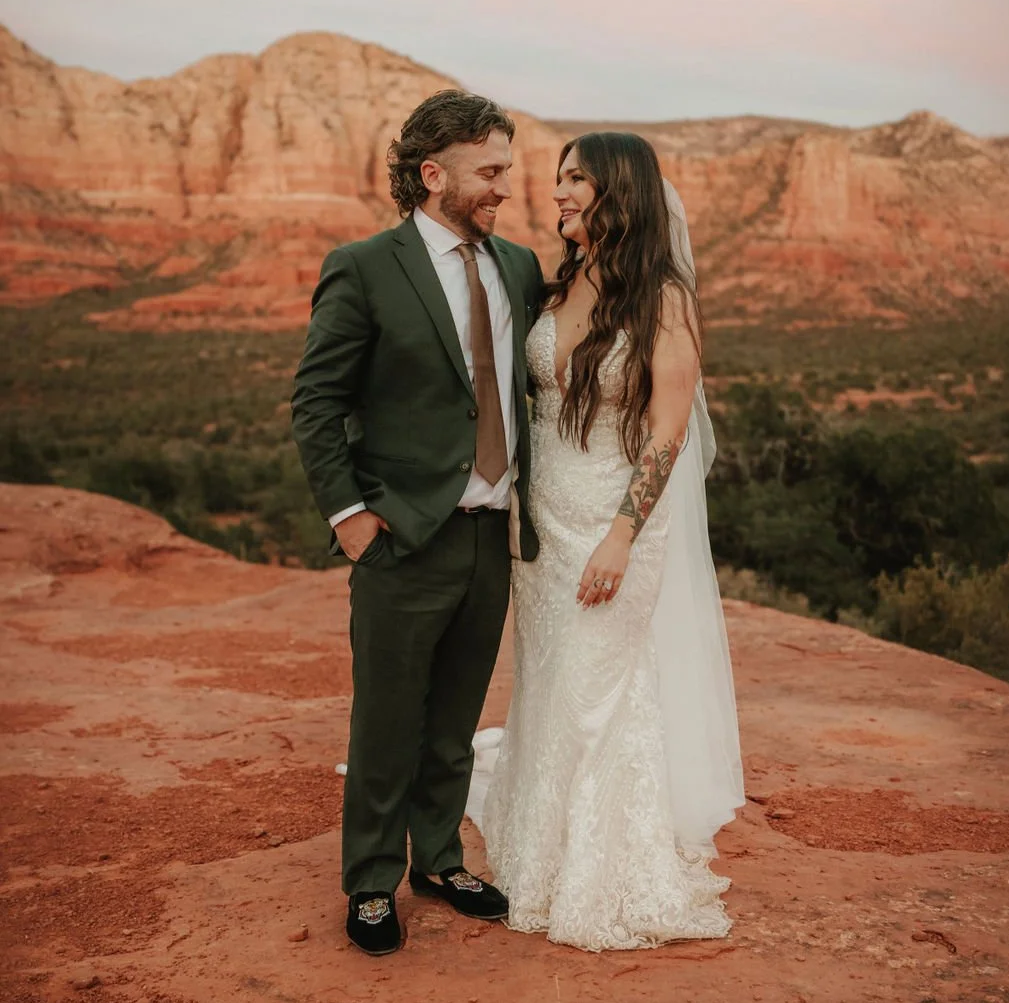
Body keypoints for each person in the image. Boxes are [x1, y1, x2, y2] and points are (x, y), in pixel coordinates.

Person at [292, 90, 546, 956]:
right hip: (402, 536)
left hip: (491, 536)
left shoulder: (517, 268)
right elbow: (316, 401)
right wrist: (351, 517)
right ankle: (370, 879)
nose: (504, 187)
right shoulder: (365, 266)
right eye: (490, 171)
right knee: (387, 719)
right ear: (433, 174)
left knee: (456, 717)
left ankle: (438, 857)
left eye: (505, 170)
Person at [478, 132, 745, 952]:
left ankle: (604, 871)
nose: (555, 193)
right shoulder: (558, 286)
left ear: (618, 191)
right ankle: (538, 848)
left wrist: (623, 535)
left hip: (617, 523)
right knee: (555, 679)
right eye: (556, 178)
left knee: (603, 688)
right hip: (544, 522)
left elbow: (666, 431)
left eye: (574, 180)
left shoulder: (662, 298)